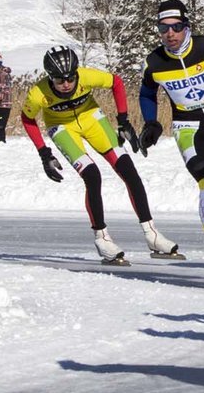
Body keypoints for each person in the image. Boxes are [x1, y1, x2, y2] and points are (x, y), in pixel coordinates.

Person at [20, 45, 181, 266]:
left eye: (70, 78)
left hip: (91, 119)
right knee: (92, 175)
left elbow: (116, 82)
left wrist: (123, 120)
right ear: (50, 78)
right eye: (59, 81)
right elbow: (27, 119)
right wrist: (43, 153)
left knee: (128, 169)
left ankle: (151, 234)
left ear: (77, 73)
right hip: (62, 128)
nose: (66, 84)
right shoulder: (38, 94)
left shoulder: (86, 76)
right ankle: (102, 238)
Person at [137, 0, 204, 286]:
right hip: (189, 128)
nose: (170, 33)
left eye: (176, 27)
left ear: (187, 26)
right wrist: (152, 121)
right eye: (163, 28)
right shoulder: (155, 62)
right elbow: (147, 93)